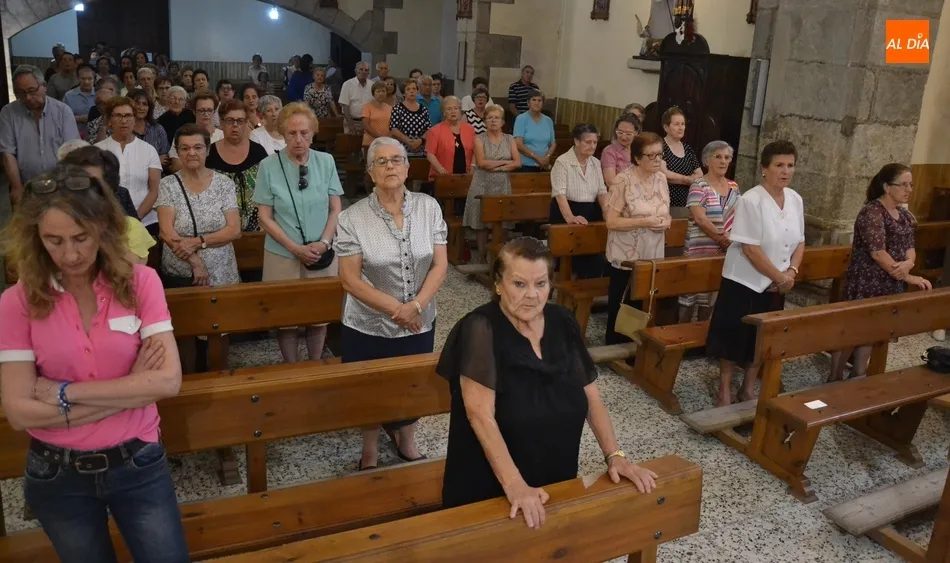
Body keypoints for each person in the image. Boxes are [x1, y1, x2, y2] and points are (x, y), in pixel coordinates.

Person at [0, 164, 188, 563]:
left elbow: (169, 381)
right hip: (57, 473)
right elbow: (18, 412)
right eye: (53, 240)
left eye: (81, 238)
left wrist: (63, 394)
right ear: (35, 238)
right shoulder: (16, 301)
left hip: (138, 460)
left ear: (103, 228)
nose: (69, 254)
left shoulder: (141, 283)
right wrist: (133, 389)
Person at [436, 237, 656, 524]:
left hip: (555, 477)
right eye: (519, 284)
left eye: (540, 284)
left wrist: (615, 455)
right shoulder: (480, 328)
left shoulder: (562, 322)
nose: (532, 295)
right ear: (498, 284)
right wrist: (515, 485)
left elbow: (590, 396)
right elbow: (480, 415)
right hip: (491, 485)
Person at [334, 137, 448, 470]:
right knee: (371, 388)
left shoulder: (429, 207)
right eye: (381, 162)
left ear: (408, 166)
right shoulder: (352, 218)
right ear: (370, 172)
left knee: (413, 383)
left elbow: (441, 264)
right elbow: (350, 279)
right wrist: (399, 310)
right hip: (368, 324)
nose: (389, 167)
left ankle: (407, 441)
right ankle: (369, 448)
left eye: (396, 160)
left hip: (421, 316)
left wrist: (417, 306)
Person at [706, 140, 804, 407]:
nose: (785, 171)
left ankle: (748, 389)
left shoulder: (795, 199)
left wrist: (792, 271)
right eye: (779, 165)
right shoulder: (751, 199)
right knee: (734, 336)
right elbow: (750, 249)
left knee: (763, 339)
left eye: (790, 165)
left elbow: (800, 241)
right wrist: (780, 277)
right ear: (764, 169)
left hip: (777, 283)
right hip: (744, 281)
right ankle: (724, 389)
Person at [253, 103, 343, 362]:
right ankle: (290, 367)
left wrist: (325, 242)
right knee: (286, 319)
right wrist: (295, 248)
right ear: (282, 133)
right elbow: (264, 216)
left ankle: (314, 364)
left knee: (318, 315)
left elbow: (335, 208)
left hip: (320, 252)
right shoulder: (268, 166)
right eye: (292, 133)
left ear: (313, 133)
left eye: (304, 133)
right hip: (282, 253)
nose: (298, 139)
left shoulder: (326, 161)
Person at [829, 164, 933, 382]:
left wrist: (909, 263)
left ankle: (858, 375)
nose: (909, 189)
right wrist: (907, 275)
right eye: (903, 184)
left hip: (889, 282)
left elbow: (910, 247)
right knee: (852, 332)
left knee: (873, 332)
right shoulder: (872, 213)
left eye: (911, 184)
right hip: (867, 282)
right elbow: (878, 253)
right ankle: (834, 377)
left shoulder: (903, 214)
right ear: (887, 186)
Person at [157, 124, 242, 370]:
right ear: (177, 152)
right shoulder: (168, 185)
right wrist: (194, 260)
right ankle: (189, 383)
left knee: (221, 330)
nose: (191, 153)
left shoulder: (224, 183)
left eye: (197, 147)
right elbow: (167, 231)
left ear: (207, 150)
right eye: (184, 148)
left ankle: (219, 379)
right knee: (185, 332)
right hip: (181, 269)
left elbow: (233, 229)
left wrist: (198, 242)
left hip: (221, 269)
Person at [604, 132, 672, 345]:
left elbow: (665, 211)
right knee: (625, 304)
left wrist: (666, 221)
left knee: (646, 302)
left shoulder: (661, 178)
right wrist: (644, 222)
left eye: (659, 155)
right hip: (626, 255)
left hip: (653, 253)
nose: (657, 160)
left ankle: (639, 346)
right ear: (637, 158)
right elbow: (611, 222)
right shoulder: (622, 181)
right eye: (651, 156)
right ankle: (617, 347)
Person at [677, 141, 740, 322]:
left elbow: (741, 215)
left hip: (724, 251)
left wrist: (731, 237)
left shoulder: (734, 187)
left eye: (727, 157)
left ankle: (704, 339)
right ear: (706, 160)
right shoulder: (699, 185)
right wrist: (721, 238)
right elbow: (700, 218)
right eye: (718, 157)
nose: (723, 161)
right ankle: (682, 339)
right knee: (690, 298)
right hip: (700, 249)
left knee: (712, 297)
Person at [61, 145, 155, 265]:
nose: (80, 191)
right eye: (73, 183)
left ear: (109, 189)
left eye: (92, 184)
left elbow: (126, 275)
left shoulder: (129, 227)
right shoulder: (51, 225)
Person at [0, 65, 81, 205]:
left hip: (60, 187)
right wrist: (16, 187)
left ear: (44, 86)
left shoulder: (63, 111)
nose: (27, 97)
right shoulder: (9, 112)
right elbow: (7, 153)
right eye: (20, 93)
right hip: (26, 186)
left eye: (32, 91)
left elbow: (71, 150)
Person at [96, 97, 163, 237]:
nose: (124, 120)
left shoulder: (149, 150)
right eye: (118, 116)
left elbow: (154, 191)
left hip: (145, 222)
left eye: (128, 115)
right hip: (108, 223)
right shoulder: (98, 151)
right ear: (110, 120)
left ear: (134, 119)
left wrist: (135, 219)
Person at [464, 105, 521, 263]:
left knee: (502, 223)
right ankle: (482, 257)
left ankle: (499, 258)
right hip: (482, 183)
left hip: (502, 184)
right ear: (485, 121)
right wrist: (505, 163)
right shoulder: (479, 138)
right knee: (481, 223)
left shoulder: (510, 139)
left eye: (497, 118)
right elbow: (482, 163)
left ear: (503, 122)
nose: (493, 121)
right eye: (490, 118)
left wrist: (497, 166)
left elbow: (517, 162)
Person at [550, 124, 608, 279]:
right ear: (576, 141)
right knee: (585, 259)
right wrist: (571, 218)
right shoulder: (563, 162)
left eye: (595, 142)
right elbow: (559, 194)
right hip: (567, 213)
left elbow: (602, 192)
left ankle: (587, 292)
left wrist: (608, 213)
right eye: (588, 142)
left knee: (600, 257)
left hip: (590, 212)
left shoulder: (595, 162)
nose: (592, 146)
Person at [206, 99, 269, 233]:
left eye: (240, 121)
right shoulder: (209, 154)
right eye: (230, 120)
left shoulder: (259, 152)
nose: (235, 125)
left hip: (257, 228)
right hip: (218, 229)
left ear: (246, 123)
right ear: (221, 123)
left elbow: (269, 190)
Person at [425, 96, 476, 197]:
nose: (453, 111)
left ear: (460, 111)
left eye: (456, 108)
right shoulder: (435, 131)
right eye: (449, 109)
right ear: (444, 112)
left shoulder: (470, 129)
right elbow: (430, 153)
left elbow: (475, 151)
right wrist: (440, 169)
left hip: (466, 177)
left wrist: (473, 166)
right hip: (443, 177)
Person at [168, 92, 223, 172]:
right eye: (201, 110)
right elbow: (177, 166)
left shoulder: (222, 136)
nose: (206, 114)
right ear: (194, 111)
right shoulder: (182, 134)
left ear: (214, 111)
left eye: (209, 110)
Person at [660, 106, 702, 208]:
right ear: (666, 127)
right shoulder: (659, 146)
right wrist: (688, 180)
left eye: (683, 124)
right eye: (676, 124)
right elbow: (665, 174)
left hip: (686, 203)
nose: (681, 128)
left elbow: (700, 175)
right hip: (664, 202)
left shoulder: (688, 149)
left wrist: (679, 179)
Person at [513, 90, 555, 172]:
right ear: (528, 103)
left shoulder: (548, 120)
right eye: (534, 100)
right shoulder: (521, 119)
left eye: (539, 100)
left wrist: (547, 157)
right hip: (526, 165)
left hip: (544, 165)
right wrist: (537, 157)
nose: (537, 103)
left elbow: (553, 143)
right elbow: (518, 144)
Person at [389, 79, 431, 158]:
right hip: (401, 150)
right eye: (408, 89)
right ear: (404, 93)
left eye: (414, 89)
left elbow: (429, 129)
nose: (412, 91)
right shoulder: (397, 108)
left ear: (418, 91)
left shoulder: (424, 109)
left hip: (421, 150)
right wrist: (408, 141)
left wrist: (420, 141)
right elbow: (394, 129)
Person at [129, 88, 170, 168]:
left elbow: (165, 158)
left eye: (145, 104)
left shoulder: (158, 129)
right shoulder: (123, 129)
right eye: (137, 103)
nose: (141, 107)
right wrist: (156, 161)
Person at [600, 113, 641, 185]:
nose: (623, 137)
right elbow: (610, 182)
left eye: (628, 134)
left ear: (636, 132)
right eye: (620, 132)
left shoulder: (641, 149)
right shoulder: (609, 151)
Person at [339, 62, 374, 135]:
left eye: (366, 70)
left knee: (365, 145)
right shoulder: (347, 84)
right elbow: (345, 106)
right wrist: (350, 125)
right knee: (350, 145)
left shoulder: (372, 85)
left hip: (367, 122)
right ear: (356, 70)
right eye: (361, 69)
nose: (363, 72)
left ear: (368, 73)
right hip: (351, 121)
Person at [361, 81, 393, 150]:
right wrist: (380, 137)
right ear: (373, 93)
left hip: (387, 142)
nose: (381, 93)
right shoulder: (367, 107)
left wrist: (386, 138)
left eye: (383, 91)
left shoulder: (390, 108)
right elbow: (366, 125)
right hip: (370, 142)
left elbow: (393, 126)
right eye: (378, 91)